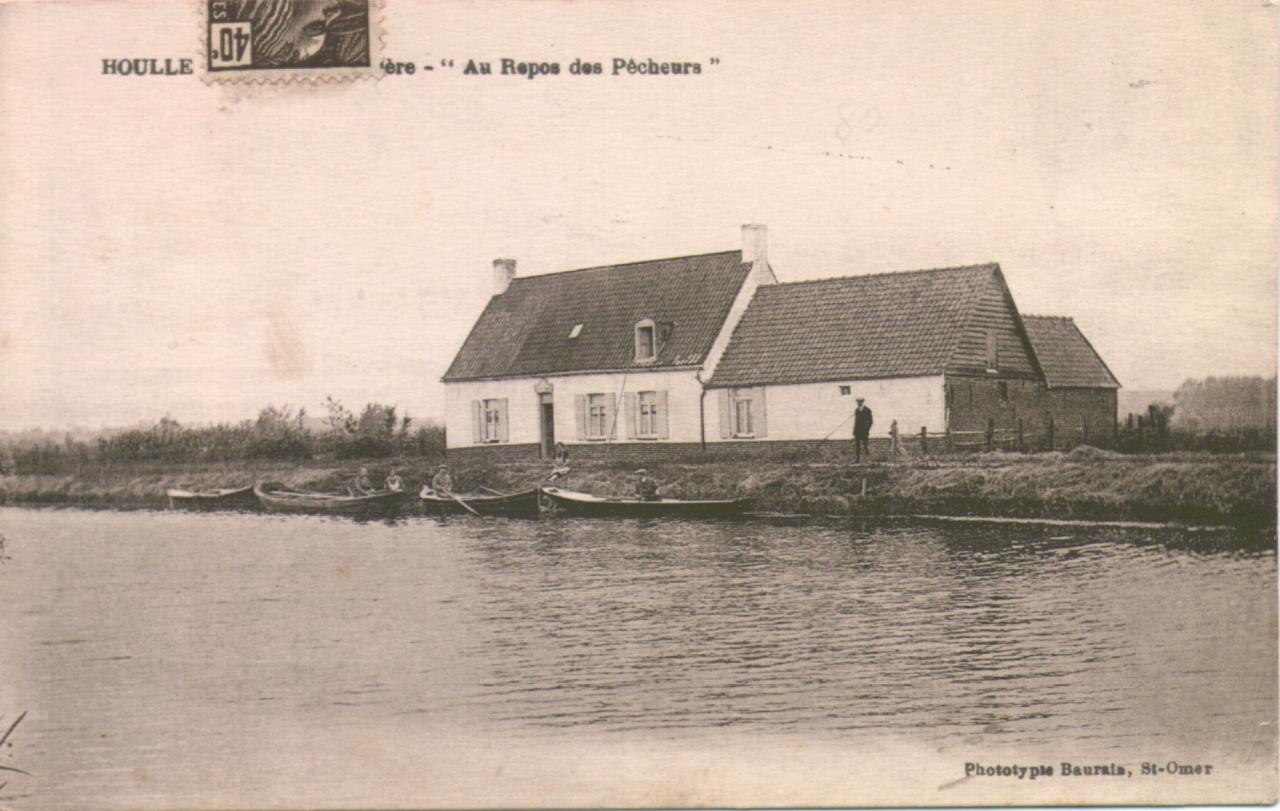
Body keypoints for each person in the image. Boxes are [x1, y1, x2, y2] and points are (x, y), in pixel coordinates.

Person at [853, 397, 874, 463]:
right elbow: (856, 421)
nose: (858, 403)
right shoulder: (856, 410)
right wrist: (854, 430)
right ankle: (857, 460)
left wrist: (867, 429)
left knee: (865, 445)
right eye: (857, 402)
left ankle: (868, 460)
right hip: (857, 431)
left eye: (859, 402)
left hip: (864, 431)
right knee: (857, 446)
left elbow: (871, 421)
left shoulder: (867, 410)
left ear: (862, 402)